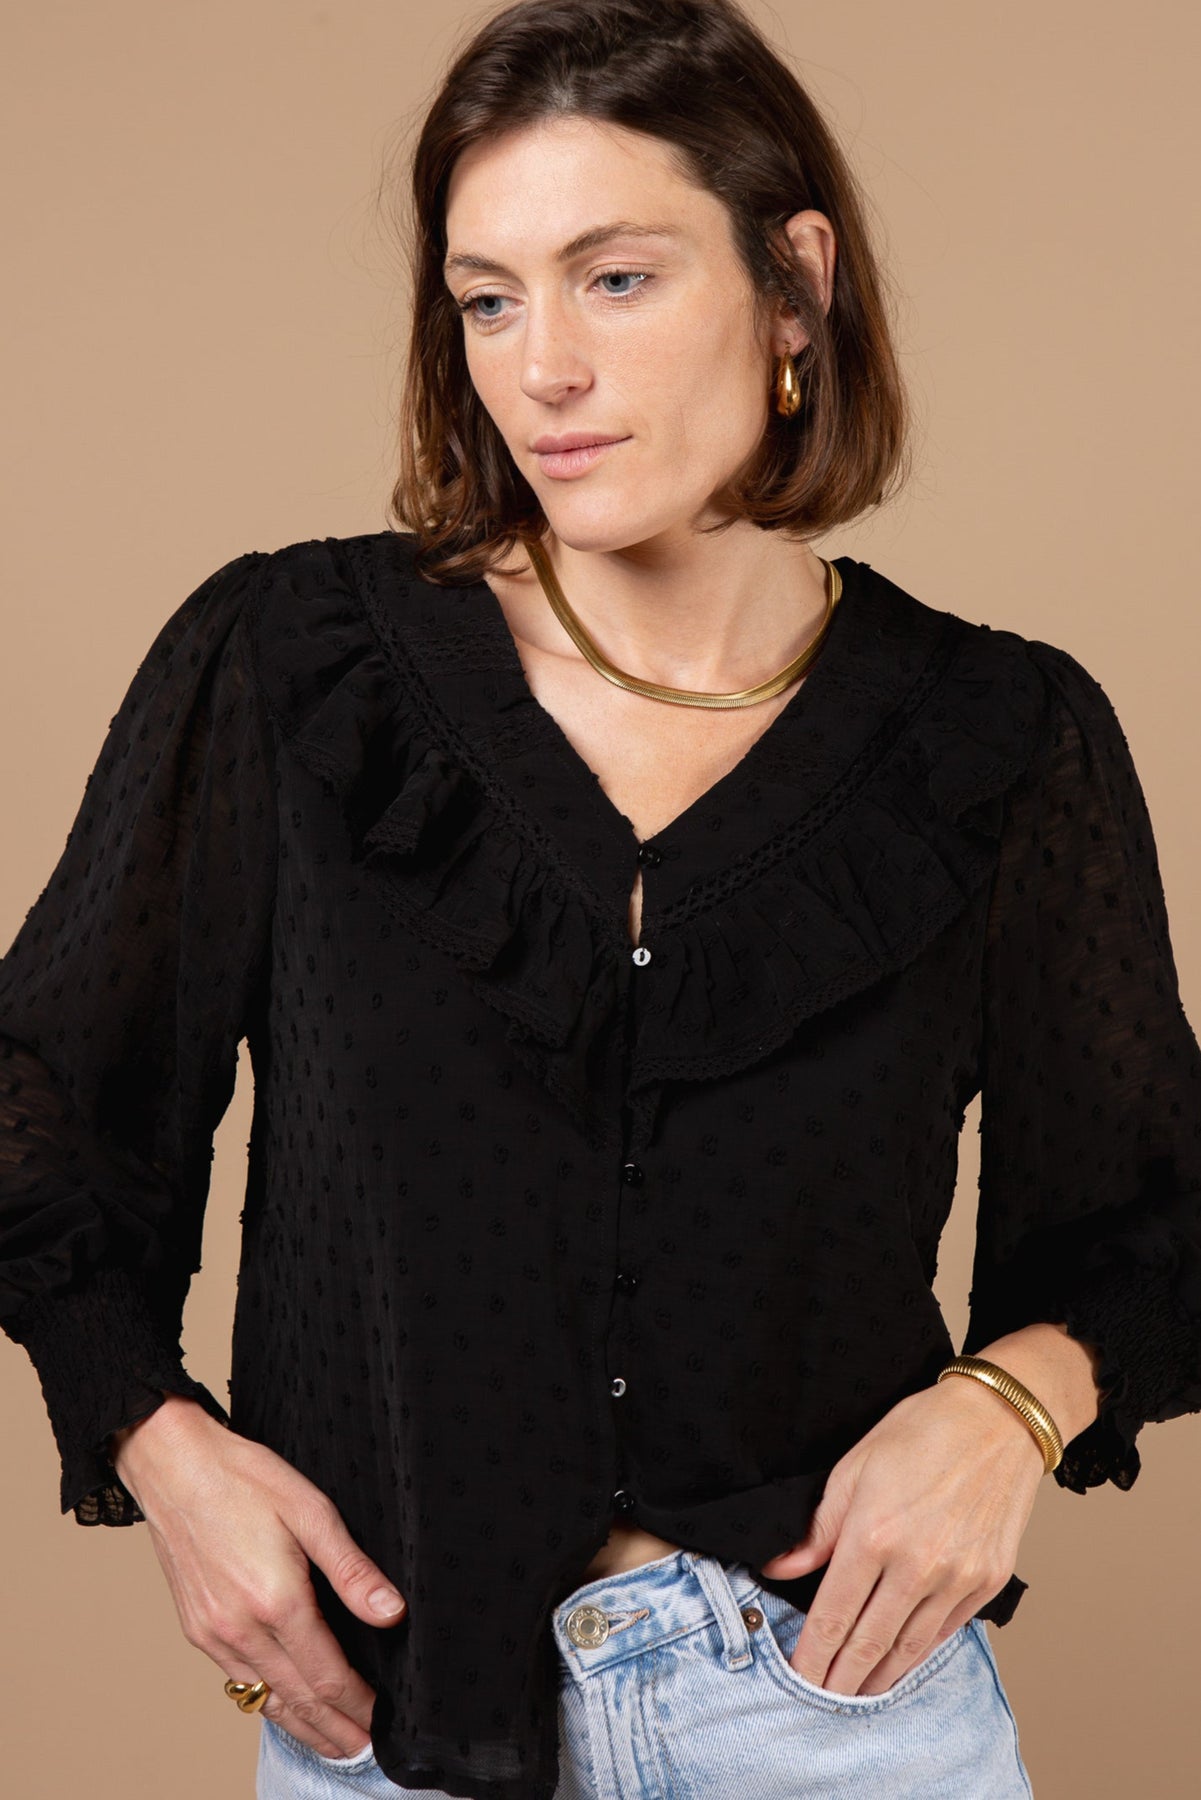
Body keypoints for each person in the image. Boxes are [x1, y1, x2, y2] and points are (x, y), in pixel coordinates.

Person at [2, 0, 1199, 1795]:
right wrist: (157, 1445)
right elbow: (37, 1105)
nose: (541, 366)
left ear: (792, 285)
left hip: (838, 1722)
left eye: (614, 280)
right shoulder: (294, 666)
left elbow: (1157, 1218)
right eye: (486, 300)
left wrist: (1009, 1404)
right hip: (396, 1729)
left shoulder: (996, 736)